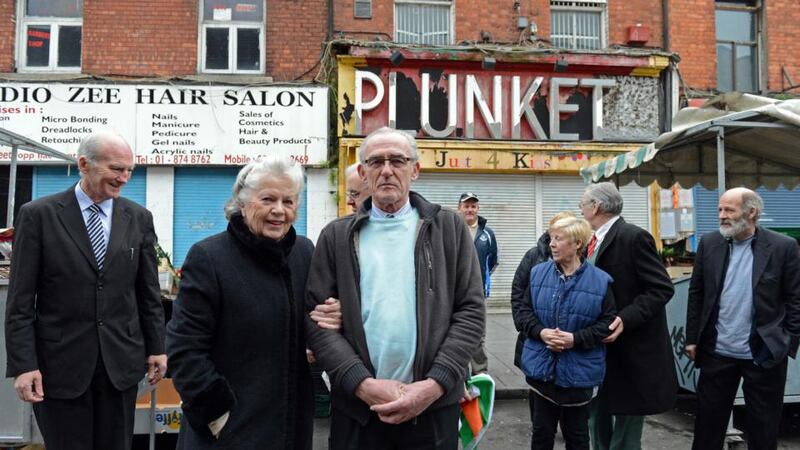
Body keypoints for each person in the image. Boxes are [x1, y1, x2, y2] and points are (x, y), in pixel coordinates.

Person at [305, 126, 485, 450]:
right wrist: (362, 384)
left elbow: (471, 311)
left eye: (397, 161)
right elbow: (318, 322)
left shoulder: (448, 228)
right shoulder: (335, 237)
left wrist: (434, 385)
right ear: (362, 172)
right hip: (358, 412)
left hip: (433, 409)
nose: (387, 170)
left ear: (414, 169)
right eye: (376, 162)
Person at [4, 132, 166, 450]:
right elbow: (20, 301)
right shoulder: (39, 216)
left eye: (129, 170)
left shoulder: (138, 218)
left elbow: (147, 293)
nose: (124, 178)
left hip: (119, 367)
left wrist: (157, 346)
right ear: (83, 164)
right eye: (116, 168)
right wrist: (23, 366)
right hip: (59, 368)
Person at [166, 156, 341, 449]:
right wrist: (216, 413)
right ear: (243, 203)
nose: (279, 211)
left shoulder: (303, 252)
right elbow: (185, 349)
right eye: (268, 199)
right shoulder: (209, 257)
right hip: (228, 431)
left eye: (289, 201)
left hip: (290, 427)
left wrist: (332, 316)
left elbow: (312, 321)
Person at [685, 187, 800, 450]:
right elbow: (697, 293)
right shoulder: (710, 243)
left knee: (763, 428)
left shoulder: (783, 247)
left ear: (751, 212)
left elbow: (795, 299)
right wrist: (693, 339)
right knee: (707, 428)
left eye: (729, 210)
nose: (722, 216)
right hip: (717, 351)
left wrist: (787, 343)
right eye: (720, 210)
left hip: (763, 353)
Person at [579, 182, 676, 450]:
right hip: (599, 344)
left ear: (596, 206)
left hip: (631, 346)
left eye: (583, 204)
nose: (580, 209)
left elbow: (660, 288)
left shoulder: (634, 237)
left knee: (626, 420)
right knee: (596, 412)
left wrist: (626, 318)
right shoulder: (591, 239)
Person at [520, 216, 616, 450]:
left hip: (578, 375)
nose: (551, 244)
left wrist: (575, 339)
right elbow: (523, 311)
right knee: (541, 435)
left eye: (559, 239)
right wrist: (541, 332)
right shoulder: (537, 274)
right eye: (551, 238)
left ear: (577, 244)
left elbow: (608, 323)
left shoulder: (600, 281)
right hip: (542, 373)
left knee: (578, 437)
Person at [511, 210, 576, 441]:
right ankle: (540, 425)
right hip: (536, 337)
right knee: (538, 386)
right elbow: (518, 291)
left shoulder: (581, 256)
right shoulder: (534, 256)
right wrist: (526, 326)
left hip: (569, 343)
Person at [457, 192, 498, 375]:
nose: (470, 209)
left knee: (478, 334)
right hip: (454, 293)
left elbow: (493, 261)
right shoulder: (452, 229)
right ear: (460, 208)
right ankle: (459, 374)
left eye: (473, 206)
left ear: (478, 209)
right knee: (455, 333)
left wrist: (481, 280)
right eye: (466, 206)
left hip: (478, 293)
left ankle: (480, 374)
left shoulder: (488, 234)